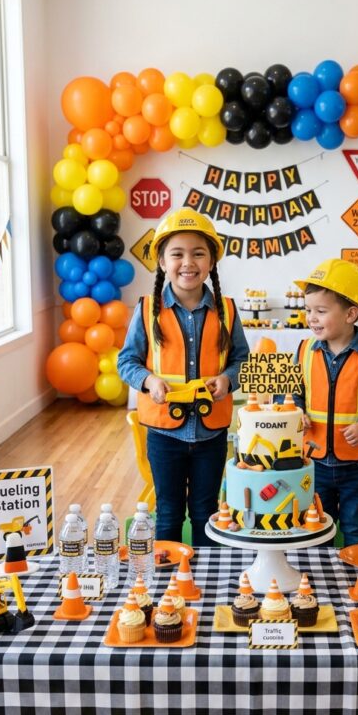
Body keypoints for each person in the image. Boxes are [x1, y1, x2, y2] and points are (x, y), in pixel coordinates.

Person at [118, 209, 249, 545]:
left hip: (211, 434)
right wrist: (149, 381)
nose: (187, 262)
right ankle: (167, 584)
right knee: (169, 510)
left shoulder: (228, 311)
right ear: (162, 261)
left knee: (206, 510)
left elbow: (241, 360)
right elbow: (127, 361)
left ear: (211, 263)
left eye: (198, 253)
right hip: (164, 433)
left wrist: (228, 380)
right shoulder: (147, 310)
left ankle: (203, 583)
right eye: (177, 254)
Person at [291, 259, 358, 546]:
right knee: (315, 528)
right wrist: (296, 409)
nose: (311, 318)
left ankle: (357, 583)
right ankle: (316, 585)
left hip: (357, 466)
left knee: (356, 528)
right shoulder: (303, 350)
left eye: (321, 311)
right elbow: (290, 392)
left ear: (351, 314)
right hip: (313, 463)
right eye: (308, 310)